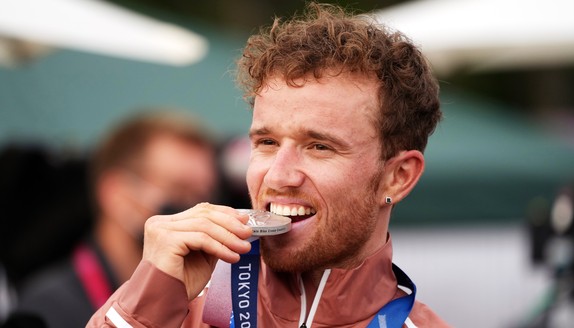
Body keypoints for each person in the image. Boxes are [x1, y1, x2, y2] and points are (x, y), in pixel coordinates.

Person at [88, 3, 450, 327]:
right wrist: (144, 306)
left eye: (319, 146)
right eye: (266, 143)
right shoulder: (176, 309)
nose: (278, 175)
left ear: (397, 177)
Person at [12, 109, 220, 328]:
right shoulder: (48, 309)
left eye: (205, 195)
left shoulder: (202, 299)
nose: (199, 209)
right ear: (116, 194)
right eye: (180, 190)